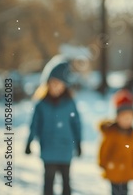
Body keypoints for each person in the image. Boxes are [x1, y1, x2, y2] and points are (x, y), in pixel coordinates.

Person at [25, 55, 82, 195]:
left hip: (65, 149)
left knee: (66, 183)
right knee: (48, 184)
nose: (56, 87)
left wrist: (79, 143)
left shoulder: (70, 103)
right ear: (47, 83)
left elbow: (76, 124)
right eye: (53, 83)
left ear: (65, 85)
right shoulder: (41, 104)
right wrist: (29, 141)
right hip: (48, 149)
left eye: (59, 84)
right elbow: (35, 124)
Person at [98, 89, 133, 195]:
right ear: (118, 117)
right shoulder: (112, 133)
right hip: (114, 168)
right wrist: (102, 162)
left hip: (127, 168)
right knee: (116, 191)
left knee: (125, 191)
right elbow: (104, 148)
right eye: (124, 118)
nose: (127, 121)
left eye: (129, 118)